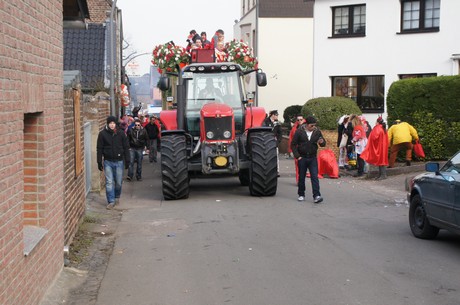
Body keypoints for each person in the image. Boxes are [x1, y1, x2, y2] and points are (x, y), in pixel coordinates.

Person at [291, 115, 326, 203]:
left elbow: (323, 143)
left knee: (314, 177)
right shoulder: (299, 132)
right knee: (301, 177)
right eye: (311, 125)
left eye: (314, 125)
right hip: (302, 157)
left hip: (312, 157)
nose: (313, 127)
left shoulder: (317, 132)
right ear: (307, 124)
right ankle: (301, 194)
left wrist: (322, 142)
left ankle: (317, 195)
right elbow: (293, 144)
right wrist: (297, 156)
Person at [97, 116, 130, 209]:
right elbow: (99, 149)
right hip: (108, 161)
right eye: (110, 123)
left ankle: (117, 196)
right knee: (109, 182)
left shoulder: (121, 134)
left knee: (118, 182)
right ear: (108, 124)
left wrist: (127, 160)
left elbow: (126, 147)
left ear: (116, 124)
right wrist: (99, 161)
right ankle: (111, 201)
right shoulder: (102, 134)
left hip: (119, 161)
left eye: (113, 123)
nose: (112, 125)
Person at [288, 114, 305, 183]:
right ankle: (299, 180)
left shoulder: (307, 127)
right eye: (298, 120)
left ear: (303, 119)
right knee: (298, 165)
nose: (299, 121)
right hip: (297, 149)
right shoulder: (294, 128)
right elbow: (291, 140)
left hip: (305, 149)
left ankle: (301, 179)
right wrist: (291, 150)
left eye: (301, 119)